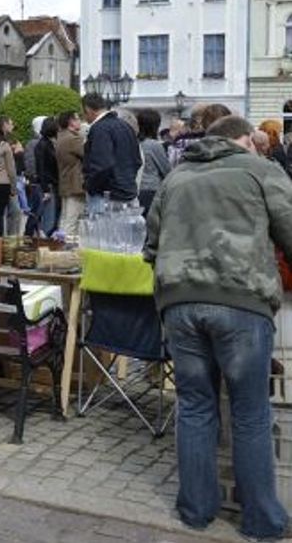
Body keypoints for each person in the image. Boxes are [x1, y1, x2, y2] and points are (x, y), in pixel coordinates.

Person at [145, 115, 292, 539]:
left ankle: (195, 510)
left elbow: (150, 246)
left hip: (180, 302)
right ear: (243, 140)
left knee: (194, 406)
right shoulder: (261, 170)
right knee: (250, 413)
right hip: (240, 300)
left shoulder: (176, 176)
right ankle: (262, 521)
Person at [81, 94, 142, 214]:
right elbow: (137, 160)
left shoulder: (99, 129)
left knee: (101, 226)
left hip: (105, 196)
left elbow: (102, 165)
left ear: (88, 110)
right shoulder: (126, 126)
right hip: (127, 192)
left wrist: (90, 186)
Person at [55, 111, 86, 237]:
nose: (80, 122)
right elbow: (89, 154)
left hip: (65, 183)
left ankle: (61, 243)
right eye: (78, 119)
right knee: (73, 221)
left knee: (65, 219)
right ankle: (68, 247)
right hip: (76, 184)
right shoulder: (73, 139)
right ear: (71, 122)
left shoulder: (61, 137)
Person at [135, 108, 171, 216]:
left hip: (136, 188)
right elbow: (166, 170)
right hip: (151, 189)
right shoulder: (154, 145)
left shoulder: (134, 142)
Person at [33, 117, 60, 236]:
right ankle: (46, 238)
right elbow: (41, 168)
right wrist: (45, 190)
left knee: (49, 214)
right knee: (49, 216)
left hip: (49, 183)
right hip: (48, 184)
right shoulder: (44, 145)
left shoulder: (46, 143)